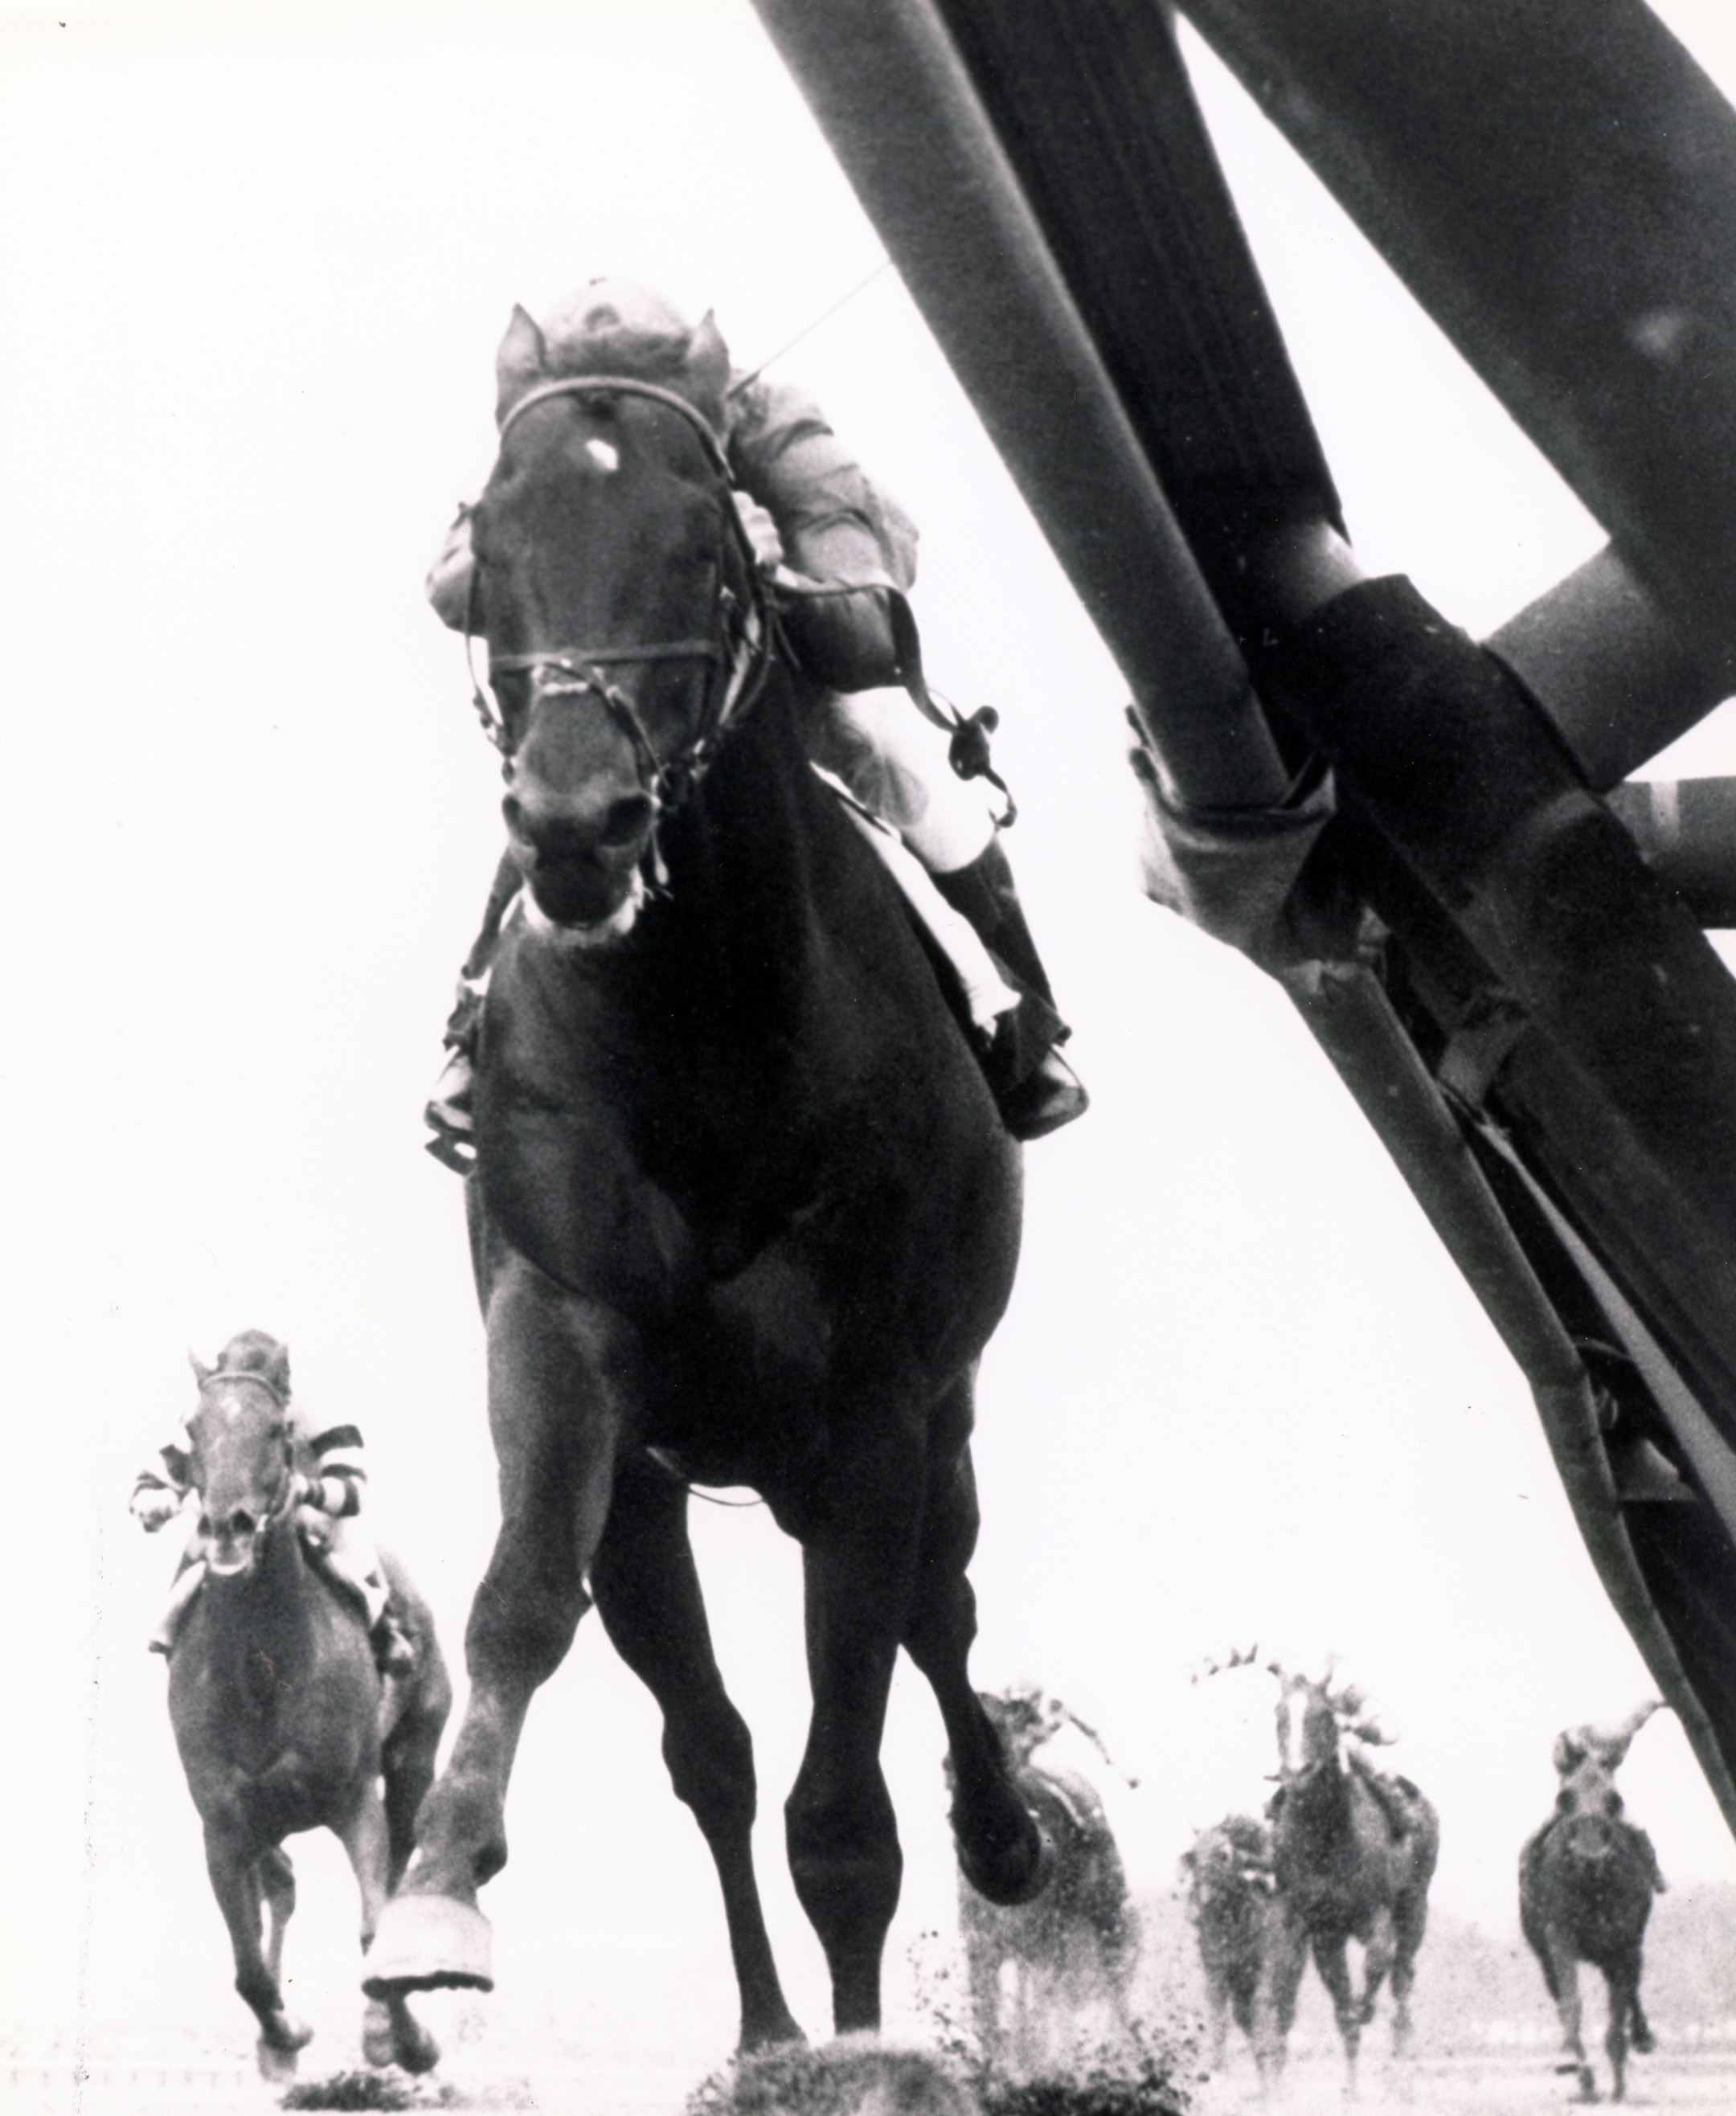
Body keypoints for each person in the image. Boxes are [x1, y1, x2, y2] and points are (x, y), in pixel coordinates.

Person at [421, 276, 1087, 1171]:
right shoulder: (561, 441)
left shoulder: (778, 428)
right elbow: (454, 588)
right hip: (640, 701)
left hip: (791, 687)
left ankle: (1018, 1009)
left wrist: (756, 559)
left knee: (885, 744)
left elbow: (862, 630)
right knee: (554, 784)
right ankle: (473, 1026)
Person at [131, 1329, 415, 1676]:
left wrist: (305, 1491)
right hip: (236, 1513)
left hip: (310, 1512)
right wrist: (153, 1500)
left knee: (350, 1545)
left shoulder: (314, 1402)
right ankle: (171, 1631)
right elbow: (161, 1476)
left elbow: (353, 1489)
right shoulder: (209, 1407)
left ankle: (386, 1629)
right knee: (194, 1557)